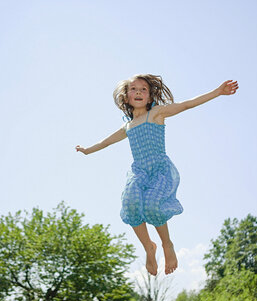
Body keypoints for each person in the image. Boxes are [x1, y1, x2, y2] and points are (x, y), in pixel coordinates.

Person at [76, 74, 238, 275]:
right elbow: (105, 142)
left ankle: (166, 244)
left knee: (153, 206)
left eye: (143, 89)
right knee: (130, 204)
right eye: (133, 89)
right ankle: (148, 247)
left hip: (159, 170)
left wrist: (217, 92)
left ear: (150, 97)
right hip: (139, 173)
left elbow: (186, 105)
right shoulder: (127, 126)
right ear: (126, 97)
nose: (138, 92)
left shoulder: (157, 113)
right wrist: (86, 150)